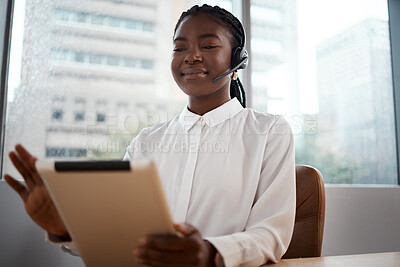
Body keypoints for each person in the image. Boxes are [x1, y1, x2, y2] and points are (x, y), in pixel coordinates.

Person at [4, 4, 295, 267]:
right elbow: (117, 231)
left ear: (237, 61)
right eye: (179, 48)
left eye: (208, 45)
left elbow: (272, 233)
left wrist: (210, 253)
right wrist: (64, 228)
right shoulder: (146, 141)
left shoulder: (269, 132)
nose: (191, 56)